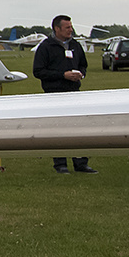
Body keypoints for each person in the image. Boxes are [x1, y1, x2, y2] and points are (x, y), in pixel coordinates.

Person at [33, 14, 94, 173]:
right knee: (57, 129)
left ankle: (81, 163)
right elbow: (38, 71)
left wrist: (80, 74)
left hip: (74, 93)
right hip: (54, 94)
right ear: (57, 28)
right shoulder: (46, 47)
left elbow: (83, 65)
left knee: (78, 129)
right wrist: (62, 75)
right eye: (67, 27)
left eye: (71, 27)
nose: (71, 30)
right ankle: (60, 165)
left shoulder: (75, 45)